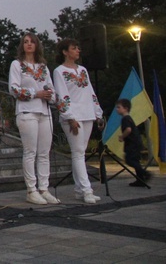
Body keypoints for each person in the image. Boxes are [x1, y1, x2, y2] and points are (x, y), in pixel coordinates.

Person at [9, 32, 59, 205]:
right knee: (30, 152)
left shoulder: (43, 67)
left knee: (44, 153)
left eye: (32, 42)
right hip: (27, 112)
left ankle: (44, 188)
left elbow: (52, 91)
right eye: (25, 42)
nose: (29, 44)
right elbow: (14, 89)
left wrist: (49, 96)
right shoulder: (17, 65)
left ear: (37, 45)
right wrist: (36, 93)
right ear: (22, 46)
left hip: (44, 112)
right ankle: (31, 189)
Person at [52, 39, 105, 204]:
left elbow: (90, 91)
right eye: (74, 48)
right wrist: (70, 117)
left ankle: (78, 189)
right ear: (65, 52)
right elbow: (61, 95)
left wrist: (98, 112)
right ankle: (87, 190)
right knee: (78, 153)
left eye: (78, 48)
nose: (78, 51)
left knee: (80, 152)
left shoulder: (83, 70)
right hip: (73, 116)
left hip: (87, 113)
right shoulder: (59, 71)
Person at [116, 99, 151, 187]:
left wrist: (122, 137)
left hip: (132, 144)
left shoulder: (125, 119)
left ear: (126, 108)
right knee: (135, 161)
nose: (117, 109)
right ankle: (140, 180)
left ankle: (145, 173)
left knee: (130, 160)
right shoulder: (128, 118)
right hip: (135, 143)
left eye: (119, 107)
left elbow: (128, 129)